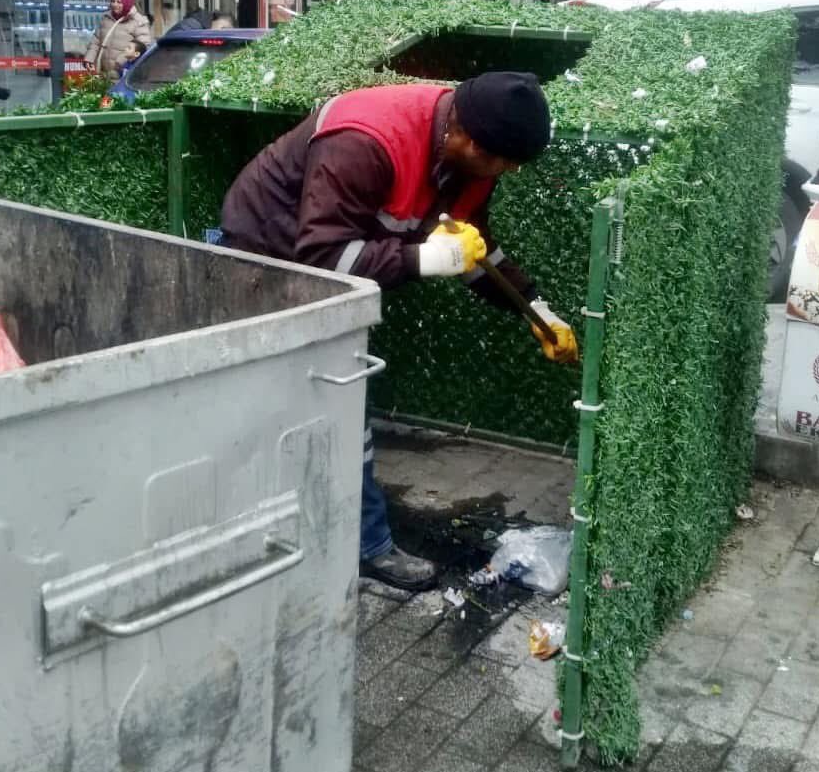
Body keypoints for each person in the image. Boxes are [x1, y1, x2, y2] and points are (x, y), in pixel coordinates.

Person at [219, 72, 579, 591]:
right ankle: (360, 547)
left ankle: (324, 536)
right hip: (264, 255)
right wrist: (423, 259)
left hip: (329, 261)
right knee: (325, 399)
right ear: (469, 141)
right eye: (502, 163)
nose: (505, 172)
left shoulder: (471, 152)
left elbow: (473, 248)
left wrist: (536, 310)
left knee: (325, 401)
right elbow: (322, 256)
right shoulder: (366, 142)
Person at [84, 0, 153, 75]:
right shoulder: (106, 18)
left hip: (123, 73)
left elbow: (143, 46)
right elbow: (96, 40)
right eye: (113, 1)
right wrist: (89, 59)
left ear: (126, 3)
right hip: (103, 73)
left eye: (119, 2)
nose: (115, 4)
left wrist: (121, 61)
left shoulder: (138, 21)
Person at [165, 9, 234, 35]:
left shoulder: (199, 24)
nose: (222, 33)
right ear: (215, 19)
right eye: (223, 28)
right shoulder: (193, 27)